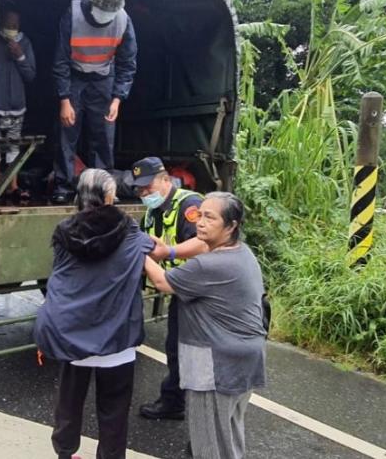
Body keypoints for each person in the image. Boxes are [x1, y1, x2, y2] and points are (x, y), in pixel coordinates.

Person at [34, 168, 155, 459]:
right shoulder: (131, 231)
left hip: (73, 336)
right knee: (114, 409)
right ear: (110, 197)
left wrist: (47, 332)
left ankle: (65, 453)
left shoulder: (65, 232)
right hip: (117, 339)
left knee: (69, 402)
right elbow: (153, 252)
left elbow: (60, 284)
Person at [143, 192, 267, 459]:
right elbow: (201, 245)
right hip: (243, 359)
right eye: (200, 215)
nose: (200, 222)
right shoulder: (240, 252)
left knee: (208, 443)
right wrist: (169, 250)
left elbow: (163, 282)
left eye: (210, 217)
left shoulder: (209, 266)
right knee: (228, 435)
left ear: (231, 226)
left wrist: (139, 251)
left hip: (216, 366)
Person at [130, 157, 207, 421]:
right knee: (176, 347)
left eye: (147, 187)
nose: (143, 193)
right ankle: (174, 402)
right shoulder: (154, 210)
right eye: (139, 189)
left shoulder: (189, 204)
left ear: (165, 180)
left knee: (197, 355)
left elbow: (204, 242)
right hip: (181, 288)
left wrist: (169, 252)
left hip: (202, 291)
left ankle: (204, 423)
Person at [50, 0, 138, 204]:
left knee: (103, 135)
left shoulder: (123, 20)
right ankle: (63, 186)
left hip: (103, 79)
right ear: (92, 0)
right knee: (67, 133)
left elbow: (128, 63)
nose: (105, 14)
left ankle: (103, 189)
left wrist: (117, 99)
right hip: (75, 77)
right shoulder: (73, 13)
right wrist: (65, 99)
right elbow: (60, 60)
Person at [0, 5, 36, 198]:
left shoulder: (24, 43)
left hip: (17, 107)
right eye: (8, 24)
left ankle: (13, 187)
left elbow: (31, 75)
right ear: (1, 23)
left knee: (13, 146)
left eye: (15, 24)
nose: (12, 27)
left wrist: (20, 56)